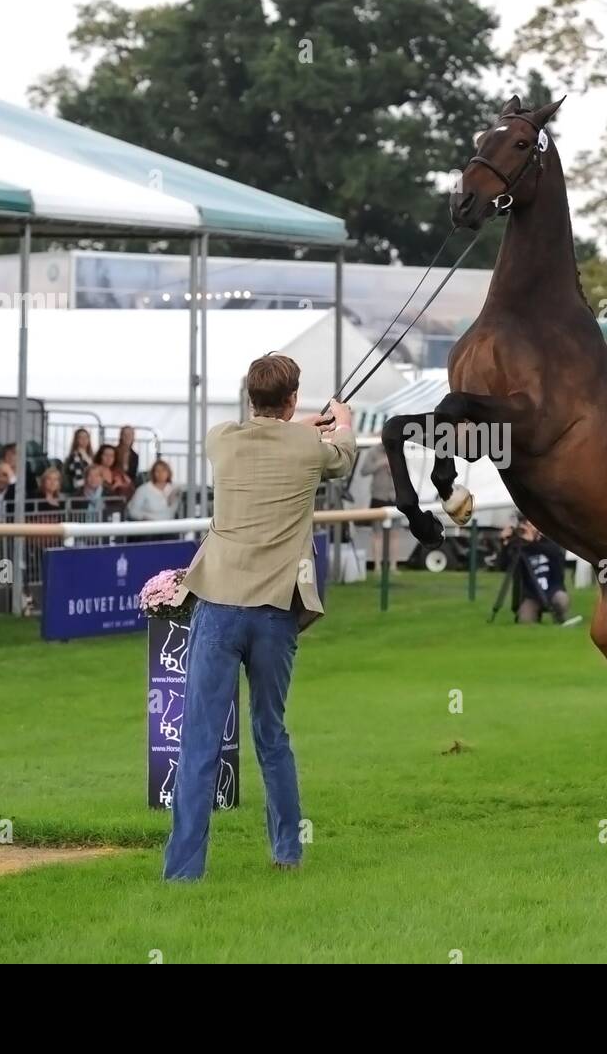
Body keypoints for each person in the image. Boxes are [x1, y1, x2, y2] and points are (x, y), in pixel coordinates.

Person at [164, 353, 354, 880]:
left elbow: (271, 436)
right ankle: (287, 852)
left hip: (219, 604)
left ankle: (183, 871)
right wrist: (342, 421)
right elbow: (341, 455)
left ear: (250, 397)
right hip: (275, 612)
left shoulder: (220, 439)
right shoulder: (311, 449)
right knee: (271, 734)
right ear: (293, 400)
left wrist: (294, 426)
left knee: (200, 740)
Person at [498, 517, 573, 624]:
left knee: (561, 600)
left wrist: (532, 543)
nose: (528, 528)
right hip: (530, 595)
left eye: (531, 525)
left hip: (553, 590)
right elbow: (503, 566)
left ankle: (560, 620)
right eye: (526, 525)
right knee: (525, 622)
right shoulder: (519, 546)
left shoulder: (550, 543)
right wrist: (504, 543)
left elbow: (555, 554)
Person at [357, 444, 395, 571]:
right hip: (378, 496)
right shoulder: (373, 452)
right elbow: (364, 471)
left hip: (395, 496)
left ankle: (393, 566)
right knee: (377, 533)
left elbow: (407, 472)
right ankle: (377, 566)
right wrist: (380, 463)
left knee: (394, 534)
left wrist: (394, 468)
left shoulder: (397, 449)